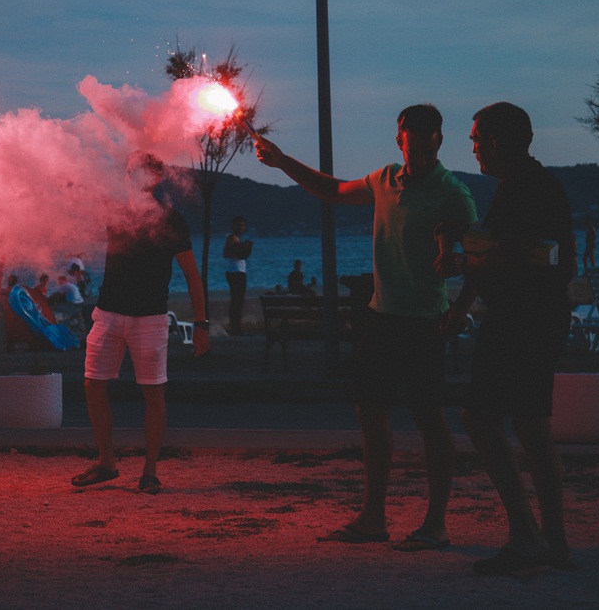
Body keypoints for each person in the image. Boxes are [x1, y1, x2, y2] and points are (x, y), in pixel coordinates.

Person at [255, 104, 477, 549]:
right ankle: (373, 519)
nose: (413, 144)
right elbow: (334, 190)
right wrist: (282, 162)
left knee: (430, 419)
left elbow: (476, 260)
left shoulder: (454, 194)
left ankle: (436, 525)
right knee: (370, 412)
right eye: (406, 136)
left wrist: (459, 304)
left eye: (422, 137)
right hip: (381, 316)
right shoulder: (384, 179)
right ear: (399, 139)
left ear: (437, 139)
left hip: (424, 322)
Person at [439, 102, 577, 575]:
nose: (473, 147)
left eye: (476, 139)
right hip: (543, 316)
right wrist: (465, 289)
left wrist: (461, 262)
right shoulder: (535, 184)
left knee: (479, 418)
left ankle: (526, 536)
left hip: (520, 320)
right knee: (532, 426)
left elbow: (511, 254)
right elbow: (507, 248)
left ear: (495, 142)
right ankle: (553, 540)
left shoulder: (521, 189)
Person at [71, 151, 210, 494]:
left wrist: (202, 324)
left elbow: (192, 277)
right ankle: (106, 463)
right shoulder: (114, 212)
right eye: (130, 171)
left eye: (141, 172)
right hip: (108, 313)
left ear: (156, 177)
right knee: (93, 385)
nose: (132, 177)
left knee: (153, 393)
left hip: (150, 317)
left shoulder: (171, 220)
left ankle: (150, 471)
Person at [223, 216, 253, 335]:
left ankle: (236, 327)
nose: (241, 228)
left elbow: (242, 255)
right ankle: (236, 328)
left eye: (242, 225)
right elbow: (226, 253)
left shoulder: (237, 239)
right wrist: (240, 248)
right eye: (239, 225)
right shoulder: (232, 238)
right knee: (237, 301)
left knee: (238, 300)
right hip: (236, 272)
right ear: (234, 226)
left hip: (238, 271)